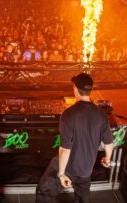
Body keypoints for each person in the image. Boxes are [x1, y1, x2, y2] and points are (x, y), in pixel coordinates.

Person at [36, 73, 114, 203]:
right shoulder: (101, 115)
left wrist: (61, 174)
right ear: (90, 90)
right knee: (82, 199)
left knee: (43, 193)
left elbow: (64, 149)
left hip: (68, 167)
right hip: (86, 169)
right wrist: (108, 159)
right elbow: (109, 143)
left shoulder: (69, 114)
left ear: (75, 89)